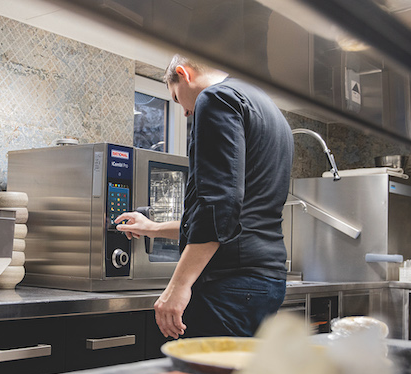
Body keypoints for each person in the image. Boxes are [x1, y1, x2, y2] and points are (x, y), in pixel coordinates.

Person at [115, 55, 293, 339]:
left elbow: (219, 206)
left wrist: (178, 286)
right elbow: (233, 218)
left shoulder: (216, 98)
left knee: (206, 367)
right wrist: (152, 228)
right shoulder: (269, 110)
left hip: (229, 283)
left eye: (176, 98)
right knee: (238, 366)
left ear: (184, 73)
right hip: (266, 281)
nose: (186, 112)